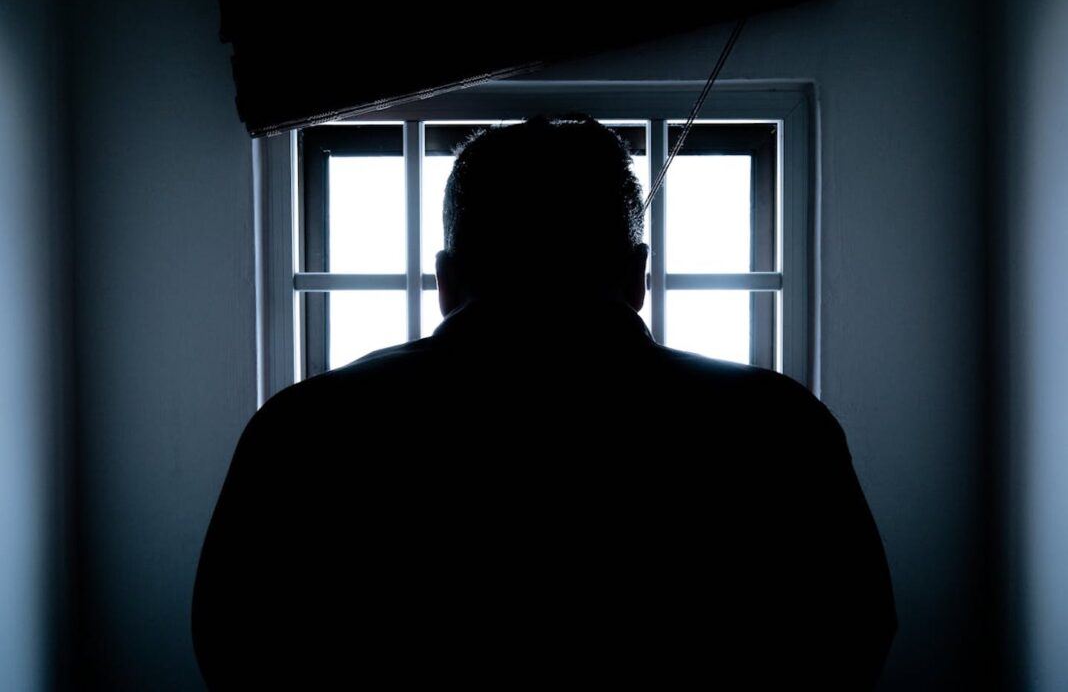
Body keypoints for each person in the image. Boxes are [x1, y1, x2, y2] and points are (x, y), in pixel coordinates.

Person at [192, 115, 895, 689]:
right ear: (638, 275)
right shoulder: (777, 429)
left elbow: (236, 652)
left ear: (446, 278)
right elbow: (851, 643)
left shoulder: (304, 432)